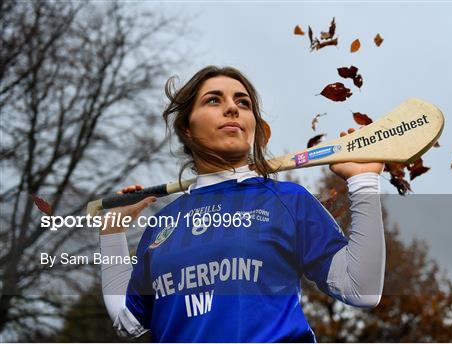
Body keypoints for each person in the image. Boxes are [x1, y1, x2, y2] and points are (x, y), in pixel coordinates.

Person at [99, 66, 385, 342]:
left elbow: (362, 289)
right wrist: (112, 232)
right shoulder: (164, 224)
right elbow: (128, 320)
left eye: (243, 103)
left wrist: (363, 182)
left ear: (252, 127)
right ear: (186, 128)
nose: (232, 108)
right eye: (213, 100)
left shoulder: (287, 201)